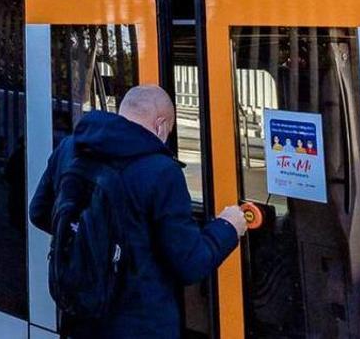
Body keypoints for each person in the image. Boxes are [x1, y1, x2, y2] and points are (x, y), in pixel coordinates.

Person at [29, 85, 247, 338]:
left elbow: (39, 212)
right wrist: (228, 226)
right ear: (161, 125)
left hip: (80, 316)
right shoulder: (162, 171)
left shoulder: (70, 149)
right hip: (141, 324)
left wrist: (91, 241)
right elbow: (190, 263)